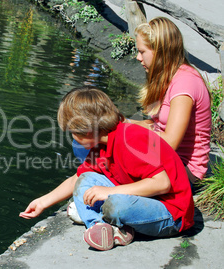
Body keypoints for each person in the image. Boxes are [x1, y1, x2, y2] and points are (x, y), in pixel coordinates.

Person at [20, 86, 194, 251]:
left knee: (116, 204)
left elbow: (162, 184)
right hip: (142, 200)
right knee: (85, 179)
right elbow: (76, 179)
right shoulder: (100, 147)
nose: (72, 138)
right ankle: (100, 227)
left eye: (73, 132)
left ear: (86, 130)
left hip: (171, 213)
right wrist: (42, 202)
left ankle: (112, 225)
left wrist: (109, 191)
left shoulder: (131, 138)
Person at [132, 17, 211, 186]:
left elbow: (170, 142)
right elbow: (158, 126)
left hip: (186, 170)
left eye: (142, 51)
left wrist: (130, 136)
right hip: (169, 160)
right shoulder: (167, 77)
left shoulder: (185, 82)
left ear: (160, 51)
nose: (138, 57)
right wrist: (124, 124)